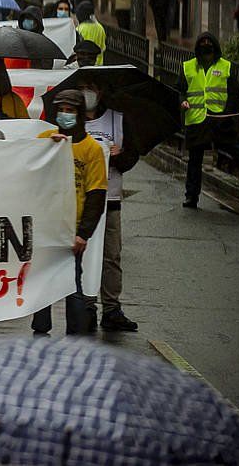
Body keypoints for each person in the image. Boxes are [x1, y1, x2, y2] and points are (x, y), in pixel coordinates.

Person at [33, 90, 107, 335]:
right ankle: (41, 326)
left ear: (80, 114)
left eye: (70, 110)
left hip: (71, 228)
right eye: (61, 110)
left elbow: (96, 195)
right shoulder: (45, 139)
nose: (65, 115)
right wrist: (47, 147)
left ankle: (76, 333)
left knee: (71, 282)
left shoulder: (91, 150)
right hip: (46, 224)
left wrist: (83, 233)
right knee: (41, 279)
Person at [79, 76, 140, 332]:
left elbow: (132, 156)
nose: (87, 93)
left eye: (91, 88)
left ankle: (112, 308)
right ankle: (86, 306)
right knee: (84, 255)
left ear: (100, 92)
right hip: (81, 202)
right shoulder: (72, 120)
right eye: (82, 89)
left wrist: (119, 155)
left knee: (110, 256)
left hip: (110, 199)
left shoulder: (117, 119)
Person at [180, 32, 239, 209]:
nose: (206, 46)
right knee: (195, 161)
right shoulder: (188, 67)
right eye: (202, 43)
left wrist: (228, 113)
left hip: (221, 121)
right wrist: (183, 100)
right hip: (197, 121)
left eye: (208, 43)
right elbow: (180, 89)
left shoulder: (226, 66)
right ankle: (191, 196)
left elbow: (234, 94)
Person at [74, 1, 106, 65]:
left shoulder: (79, 29)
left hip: (85, 65)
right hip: (99, 65)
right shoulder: (100, 28)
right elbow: (103, 47)